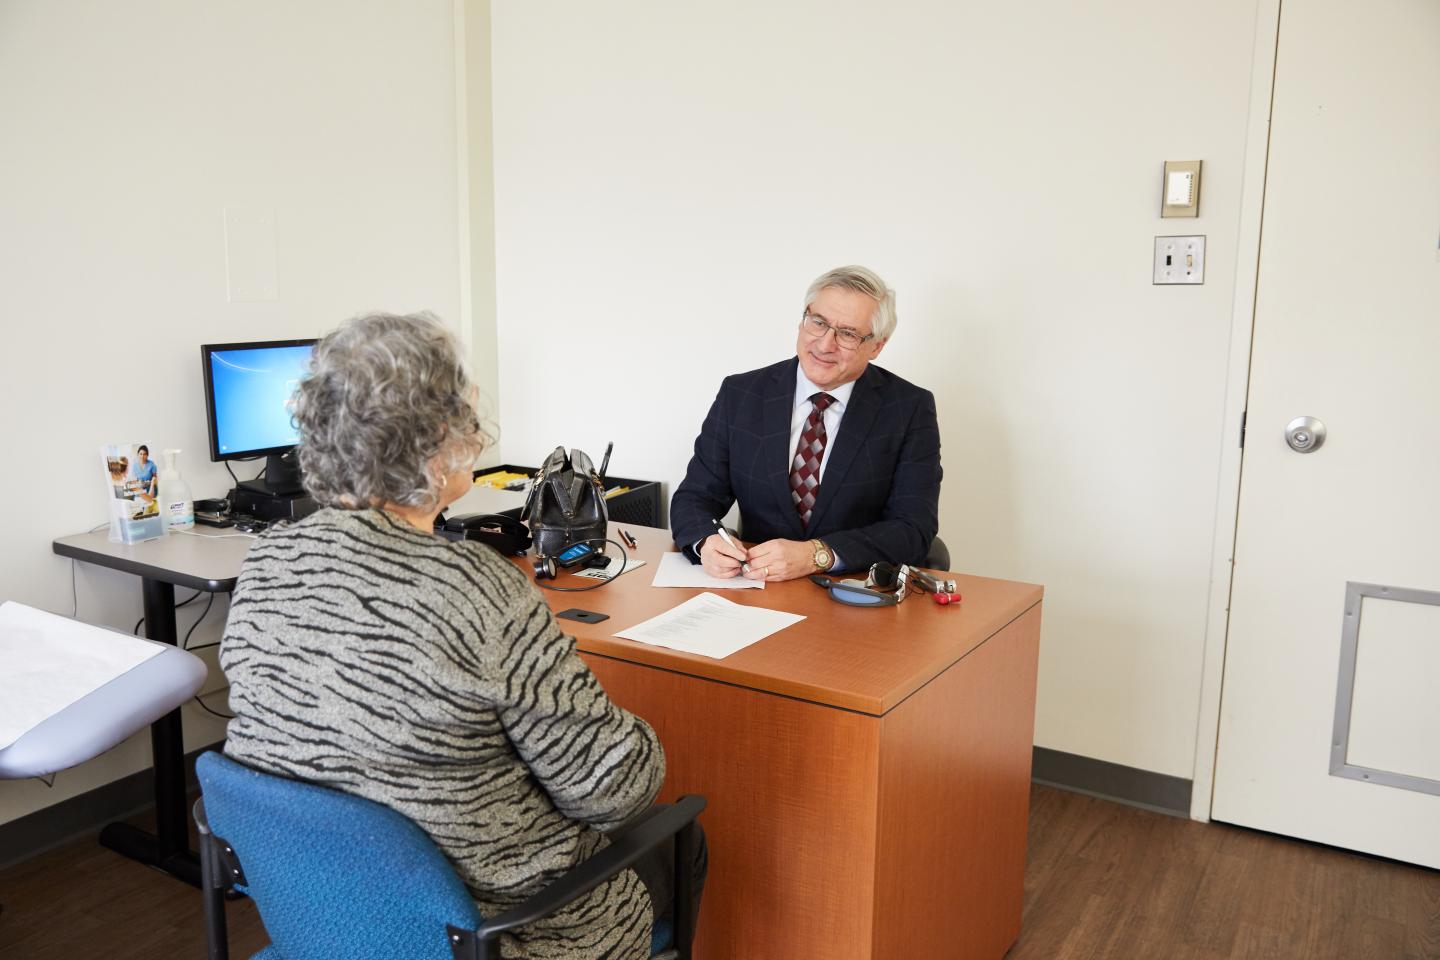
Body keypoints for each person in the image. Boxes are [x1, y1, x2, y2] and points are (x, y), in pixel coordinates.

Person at [220, 312, 703, 960]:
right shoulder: (476, 587)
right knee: (681, 838)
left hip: (321, 922)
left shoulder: (267, 561)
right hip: (498, 936)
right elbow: (614, 789)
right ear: (438, 444)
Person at [670, 265, 941, 581]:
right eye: (819, 323)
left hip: (852, 593)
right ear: (803, 321)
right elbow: (694, 498)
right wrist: (707, 541)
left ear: (877, 346)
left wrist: (818, 554)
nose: (825, 345)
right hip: (758, 590)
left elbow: (913, 529)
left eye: (849, 334)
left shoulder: (909, 408)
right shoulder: (742, 394)